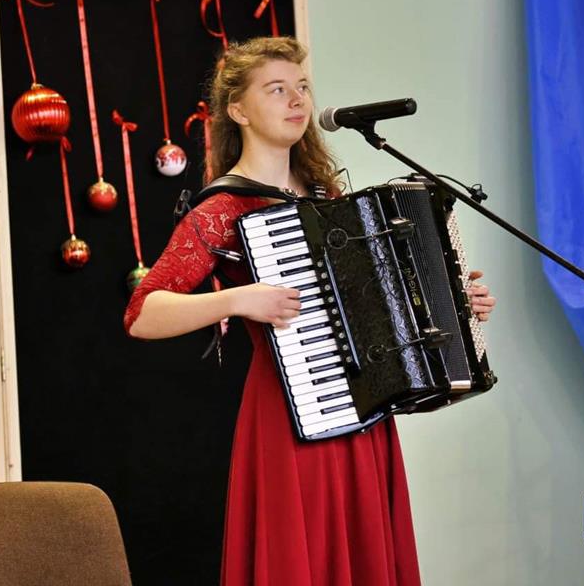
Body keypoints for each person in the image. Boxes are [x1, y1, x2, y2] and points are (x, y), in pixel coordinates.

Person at [123, 36, 496, 586]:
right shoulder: (222, 208)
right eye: (277, 90)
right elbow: (143, 313)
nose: (297, 100)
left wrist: (457, 304)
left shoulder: (328, 200)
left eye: (301, 87)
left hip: (365, 415)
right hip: (288, 414)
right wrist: (236, 299)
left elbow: (381, 306)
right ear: (238, 110)